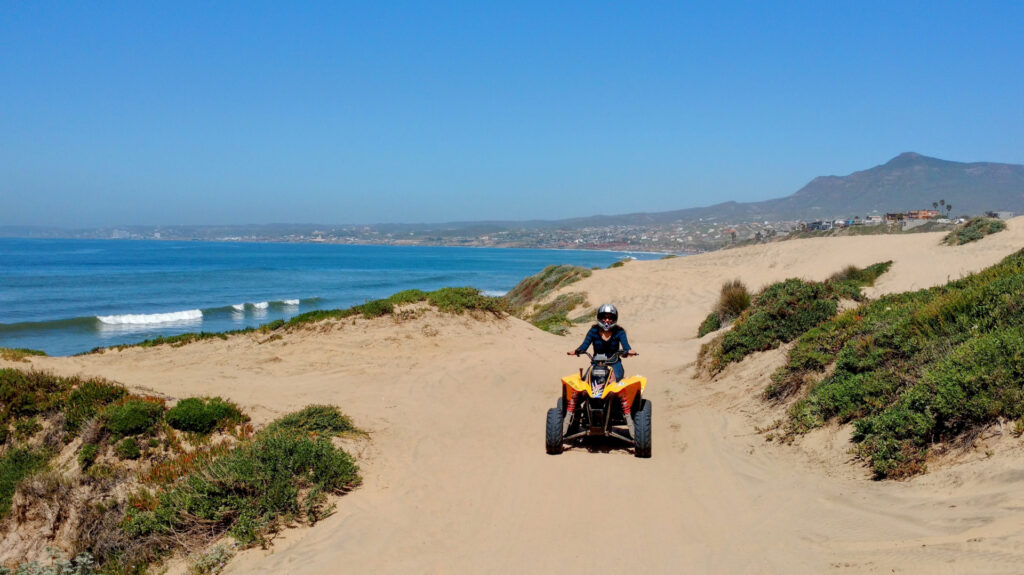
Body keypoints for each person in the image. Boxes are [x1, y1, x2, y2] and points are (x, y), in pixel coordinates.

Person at [567, 303, 636, 382]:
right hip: (596, 364)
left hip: (614, 364)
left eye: (610, 318)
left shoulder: (619, 331)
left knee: (613, 381)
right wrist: (577, 351)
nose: (607, 320)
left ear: (614, 319)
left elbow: (626, 347)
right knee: (586, 380)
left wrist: (629, 351)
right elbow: (585, 345)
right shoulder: (593, 331)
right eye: (604, 317)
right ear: (599, 318)